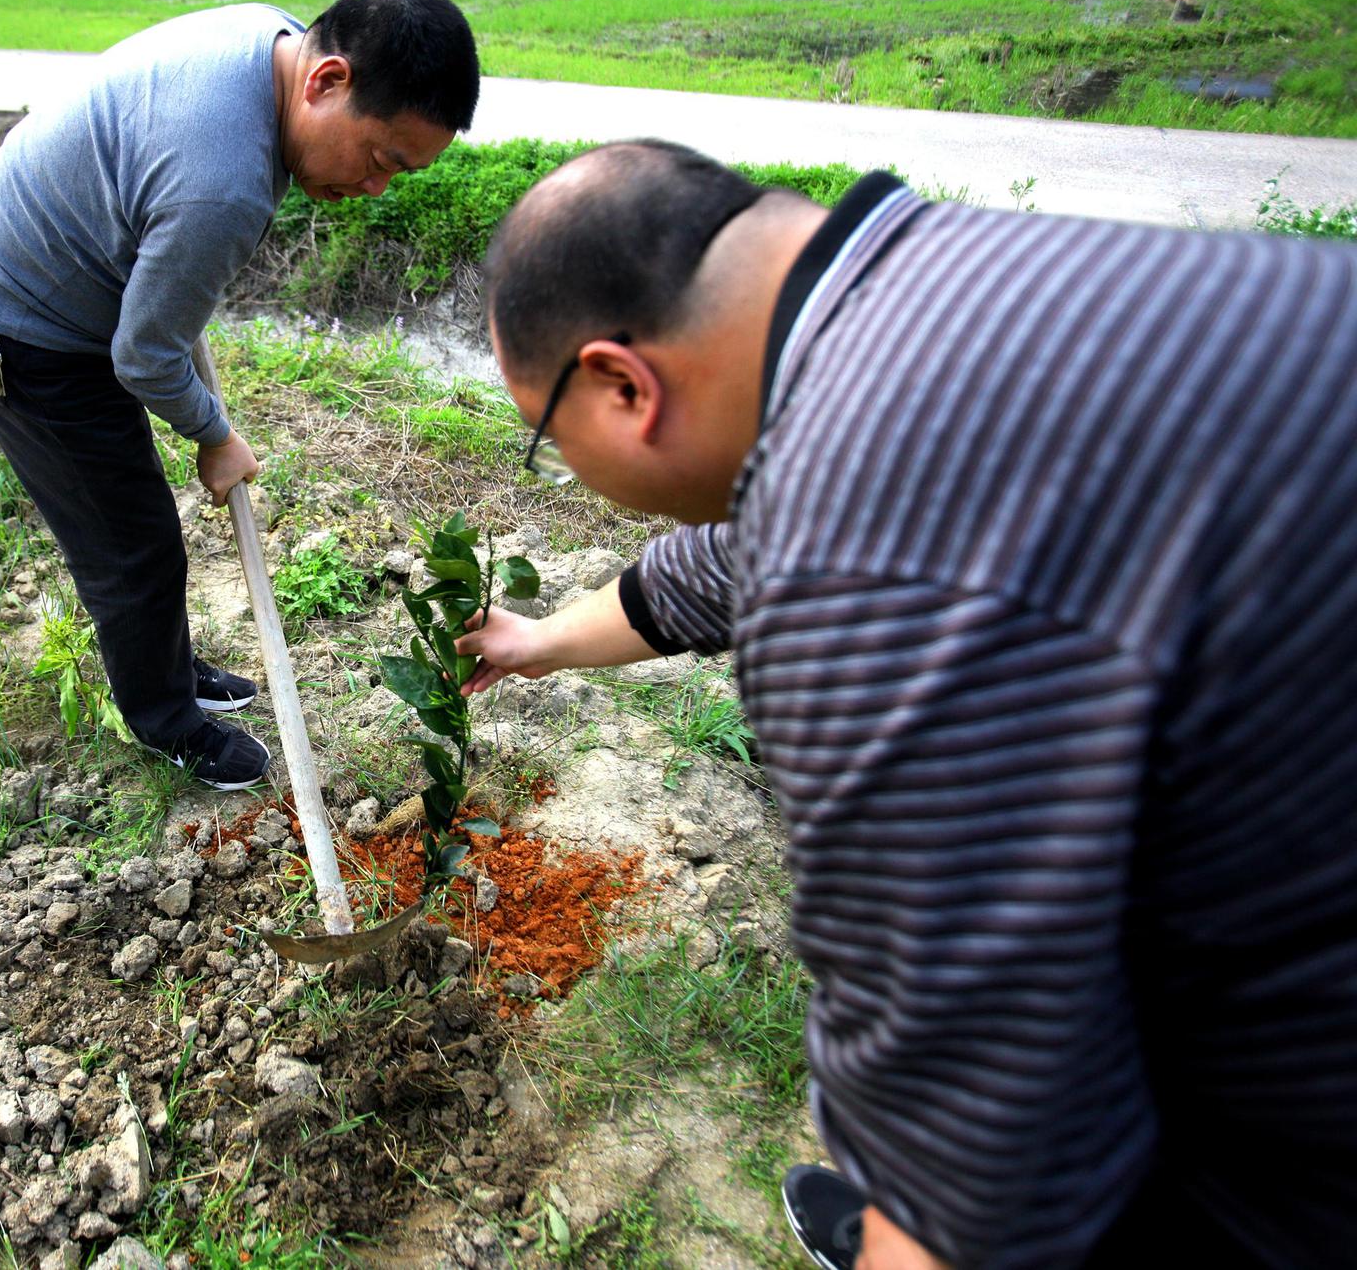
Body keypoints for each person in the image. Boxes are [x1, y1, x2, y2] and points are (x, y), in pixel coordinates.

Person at [461, 140, 1357, 1268]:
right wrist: (541, 640)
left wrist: (921, 1214)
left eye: (547, 440)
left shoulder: (861, 582)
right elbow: (729, 561)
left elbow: (980, 1166)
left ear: (620, 385)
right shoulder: (920, 289)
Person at [0, 0, 480, 790]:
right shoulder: (221, 186)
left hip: (71, 269)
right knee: (131, 543)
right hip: (18, 322)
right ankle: (163, 717)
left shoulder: (269, 36)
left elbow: (155, 296)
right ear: (326, 80)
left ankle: (171, 667)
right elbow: (146, 356)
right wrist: (216, 436)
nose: (375, 190)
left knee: (140, 527)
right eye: (380, 159)